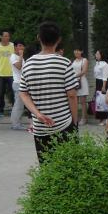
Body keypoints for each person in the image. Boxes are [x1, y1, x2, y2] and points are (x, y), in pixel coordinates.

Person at [17, 22, 78, 162]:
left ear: (38, 38)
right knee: (67, 167)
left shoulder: (28, 64)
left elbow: (23, 93)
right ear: (59, 39)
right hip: (63, 124)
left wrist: (37, 114)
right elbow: (72, 95)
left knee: (46, 167)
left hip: (40, 128)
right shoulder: (64, 63)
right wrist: (74, 123)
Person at [0, 30, 15, 120]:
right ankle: (0, 111)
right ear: (0, 37)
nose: (7, 37)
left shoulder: (13, 45)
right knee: (0, 93)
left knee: (13, 92)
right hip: (0, 74)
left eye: (8, 36)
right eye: (5, 36)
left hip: (12, 73)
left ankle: (15, 109)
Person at [9, 41, 28, 130]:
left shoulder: (21, 58)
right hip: (18, 83)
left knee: (20, 105)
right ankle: (15, 124)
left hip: (22, 83)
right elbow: (19, 67)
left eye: (23, 46)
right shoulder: (13, 57)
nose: (21, 47)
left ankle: (17, 123)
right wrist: (21, 56)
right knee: (18, 105)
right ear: (15, 47)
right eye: (20, 45)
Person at [72, 48, 90, 125]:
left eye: (78, 50)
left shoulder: (84, 60)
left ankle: (84, 118)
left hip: (82, 81)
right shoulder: (73, 61)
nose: (76, 52)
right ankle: (75, 118)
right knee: (75, 101)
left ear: (81, 51)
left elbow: (84, 71)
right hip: (74, 82)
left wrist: (75, 76)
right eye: (75, 50)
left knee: (83, 102)